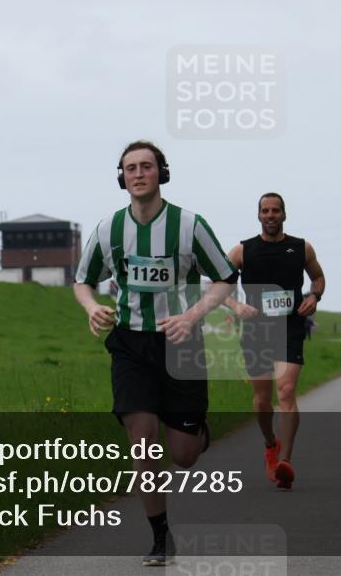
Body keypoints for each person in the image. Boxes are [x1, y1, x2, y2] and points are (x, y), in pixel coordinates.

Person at [73, 140, 237, 566]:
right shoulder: (109, 229)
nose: (139, 173)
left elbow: (224, 278)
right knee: (143, 446)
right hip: (130, 343)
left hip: (181, 341)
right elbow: (82, 280)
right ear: (122, 178)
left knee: (182, 456)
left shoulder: (188, 225)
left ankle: (195, 430)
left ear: (161, 173)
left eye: (147, 166)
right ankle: (160, 536)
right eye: (131, 168)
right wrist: (92, 308)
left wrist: (194, 314)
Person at [224, 193, 325, 490]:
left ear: (284, 214)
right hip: (256, 330)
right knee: (262, 400)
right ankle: (270, 443)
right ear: (258, 215)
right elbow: (219, 288)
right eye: (265, 211)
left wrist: (314, 296)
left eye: (276, 211)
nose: (270, 215)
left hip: (290, 326)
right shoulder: (242, 251)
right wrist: (237, 306)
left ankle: (286, 461)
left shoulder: (301, 247)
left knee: (287, 389)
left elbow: (318, 278)